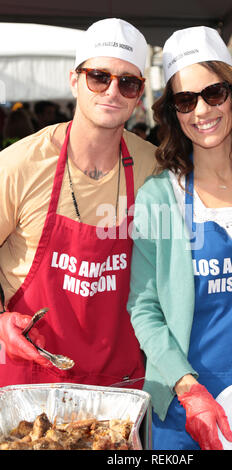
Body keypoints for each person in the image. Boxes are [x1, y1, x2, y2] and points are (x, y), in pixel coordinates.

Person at [127, 26, 232, 450]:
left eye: (213, 93)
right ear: (173, 112)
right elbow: (144, 307)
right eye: (185, 100)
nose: (201, 110)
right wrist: (187, 388)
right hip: (191, 407)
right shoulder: (159, 198)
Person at [0, 18, 157, 389]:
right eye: (99, 77)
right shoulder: (20, 165)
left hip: (120, 387)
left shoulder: (155, 168)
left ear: (139, 93)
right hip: (31, 382)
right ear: (74, 79)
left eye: (127, 82)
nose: (112, 91)